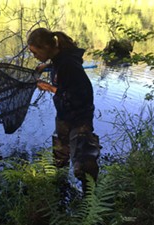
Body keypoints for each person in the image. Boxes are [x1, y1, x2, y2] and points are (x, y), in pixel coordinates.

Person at [27, 27, 101, 194]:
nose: (34, 56)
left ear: (46, 47)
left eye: (35, 52)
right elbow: (61, 69)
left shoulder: (69, 64)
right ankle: (60, 191)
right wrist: (44, 66)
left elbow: (81, 93)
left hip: (79, 118)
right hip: (64, 115)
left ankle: (90, 202)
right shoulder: (58, 59)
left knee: (83, 162)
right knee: (60, 155)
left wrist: (49, 88)